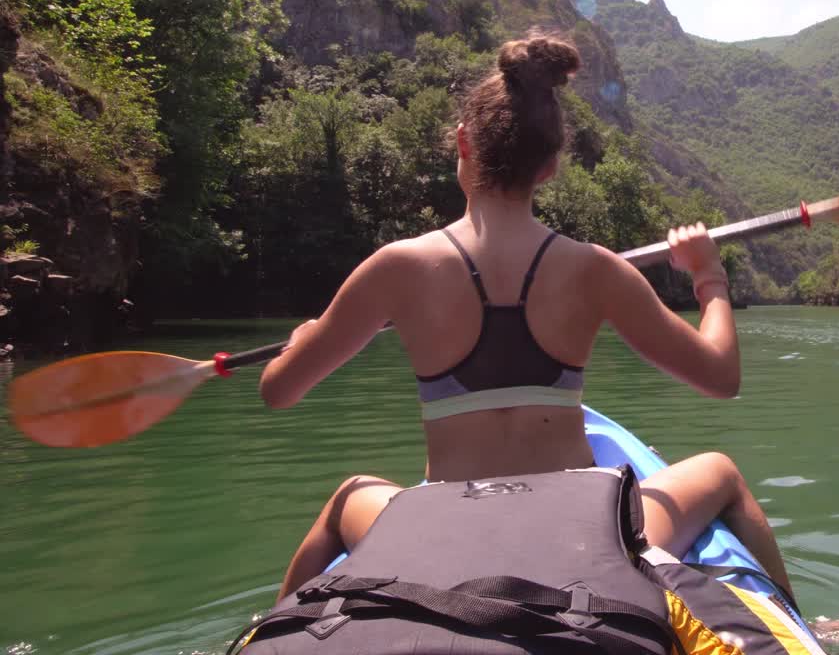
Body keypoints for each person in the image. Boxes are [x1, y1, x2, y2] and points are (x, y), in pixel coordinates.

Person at [259, 34, 791, 604]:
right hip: (580, 532)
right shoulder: (595, 270)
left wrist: (304, 339)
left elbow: (279, 391)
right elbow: (720, 376)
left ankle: (271, 634)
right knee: (722, 473)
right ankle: (814, 631)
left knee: (348, 497)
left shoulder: (397, 267)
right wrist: (709, 277)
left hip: (450, 525)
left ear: (463, 142)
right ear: (551, 166)